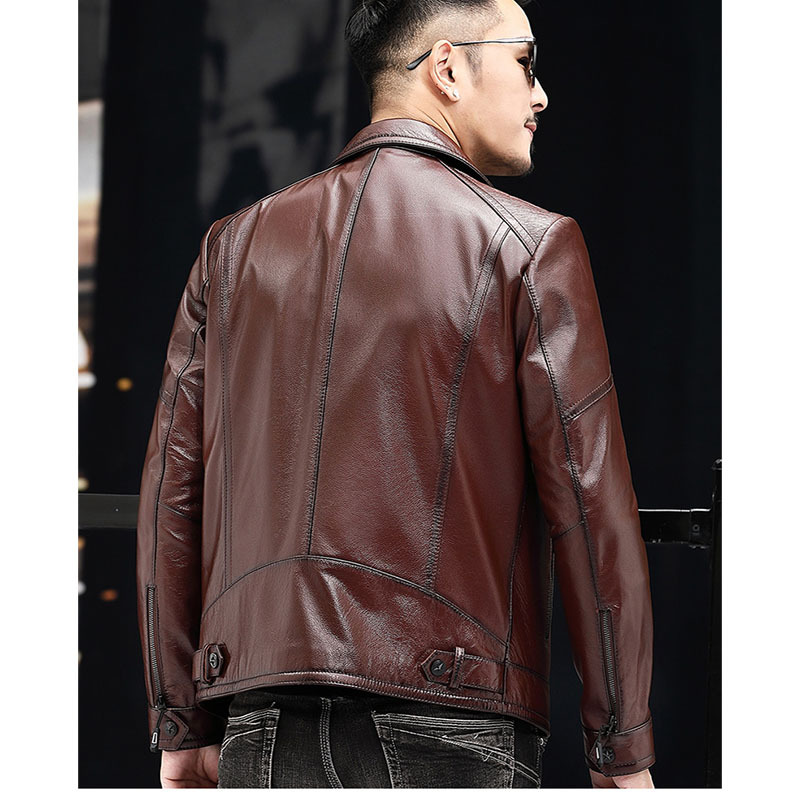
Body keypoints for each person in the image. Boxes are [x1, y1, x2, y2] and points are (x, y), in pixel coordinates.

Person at [136, 0, 656, 789]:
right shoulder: (529, 245)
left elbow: (172, 495)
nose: (541, 94)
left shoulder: (231, 247)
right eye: (524, 63)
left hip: (258, 715)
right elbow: (590, 506)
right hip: (452, 715)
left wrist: (181, 719)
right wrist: (621, 743)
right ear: (447, 67)